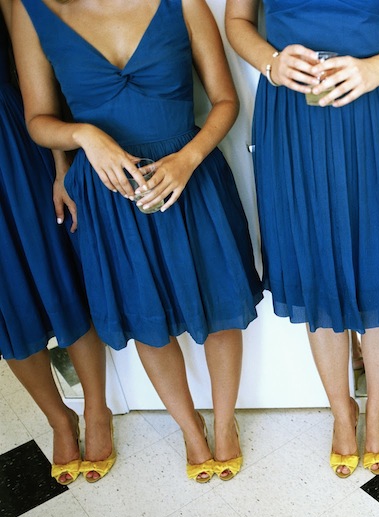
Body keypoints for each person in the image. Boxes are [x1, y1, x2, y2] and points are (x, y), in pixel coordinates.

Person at [13, 0, 262, 482]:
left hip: (192, 179)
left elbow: (226, 101)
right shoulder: (33, 11)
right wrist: (84, 134)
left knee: (219, 310)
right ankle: (191, 432)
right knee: (148, 316)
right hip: (110, 195)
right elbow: (38, 122)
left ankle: (225, 424)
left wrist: (187, 160)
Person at [225, 0, 379, 477]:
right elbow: (237, 23)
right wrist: (271, 63)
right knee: (315, 265)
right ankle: (342, 414)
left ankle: (378, 411)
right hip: (293, 116)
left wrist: (378, 69)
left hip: (377, 110)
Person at [0, 0, 112, 484]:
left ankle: (97, 408)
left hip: (13, 144)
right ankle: (58, 419)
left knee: (58, 274)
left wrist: (61, 167)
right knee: (6, 308)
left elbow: (37, 76)